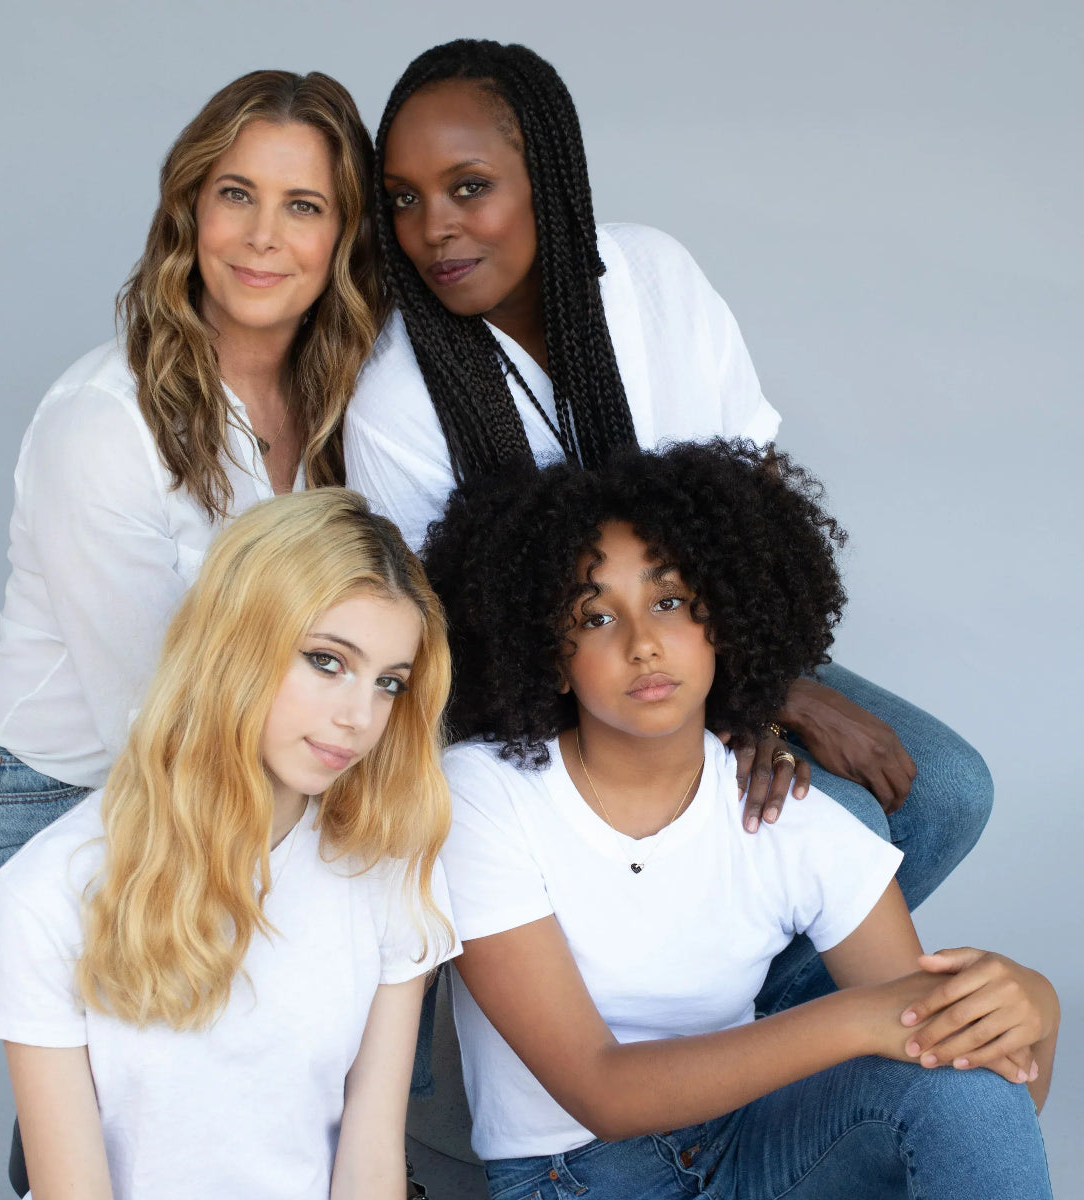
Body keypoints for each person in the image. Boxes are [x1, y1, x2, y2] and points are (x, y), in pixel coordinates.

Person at [343, 38, 991, 1017]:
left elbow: (754, 516)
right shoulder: (396, 400)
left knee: (946, 789)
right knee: (838, 818)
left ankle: (746, 1041)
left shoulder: (652, 276)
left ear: (546, 173)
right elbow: (453, 659)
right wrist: (745, 709)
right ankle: (722, 1059)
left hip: (716, 638)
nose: (433, 228)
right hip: (540, 706)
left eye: (469, 187)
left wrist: (764, 688)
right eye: (403, 199)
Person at [420, 441, 1056, 1199]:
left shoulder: (793, 820)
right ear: (552, 658)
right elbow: (602, 1090)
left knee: (962, 1074)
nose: (642, 644)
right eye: (596, 617)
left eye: (668, 602)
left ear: (721, 621)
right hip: (575, 1176)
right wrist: (863, 1020)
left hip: (749, 1148)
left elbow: (968, 1084)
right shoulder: (486, 794)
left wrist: (1036, 1009)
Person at [0, 69, 382, 931]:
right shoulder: (104, 422)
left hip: (270, 778)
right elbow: (154, 717)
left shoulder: (352, 404)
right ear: (190, 209)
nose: (263, 236)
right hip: (75, 803)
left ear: (344, 235)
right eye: (236, 194)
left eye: (303, 206)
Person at [0, 489, 461, 1200]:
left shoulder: (386, 864)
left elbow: (371, 1161)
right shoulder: (51, 890)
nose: (360, 716)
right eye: (326, 661)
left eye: (388, 684)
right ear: (232, 644)